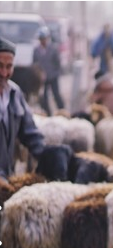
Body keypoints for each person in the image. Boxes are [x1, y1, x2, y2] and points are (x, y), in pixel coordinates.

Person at [0, 37, 45, 182]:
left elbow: (29, 132)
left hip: (7, 177)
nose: (4, 73)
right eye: (0, 66)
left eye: (9, 66)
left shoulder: (14, 93)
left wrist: (45, 155)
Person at [33, 26, 65, 116]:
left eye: (44, 38)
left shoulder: (53, 49)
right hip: (42, 78)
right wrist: (39, 75)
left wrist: (54, 74)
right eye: (41, 39)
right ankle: (47, 114)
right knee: (43, 97)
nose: (42, 41)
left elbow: (57, 64)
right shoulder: (36, 50)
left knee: (56, 95)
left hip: (53, 76)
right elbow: (35, 65)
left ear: (47, 38)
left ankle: (62, 112)